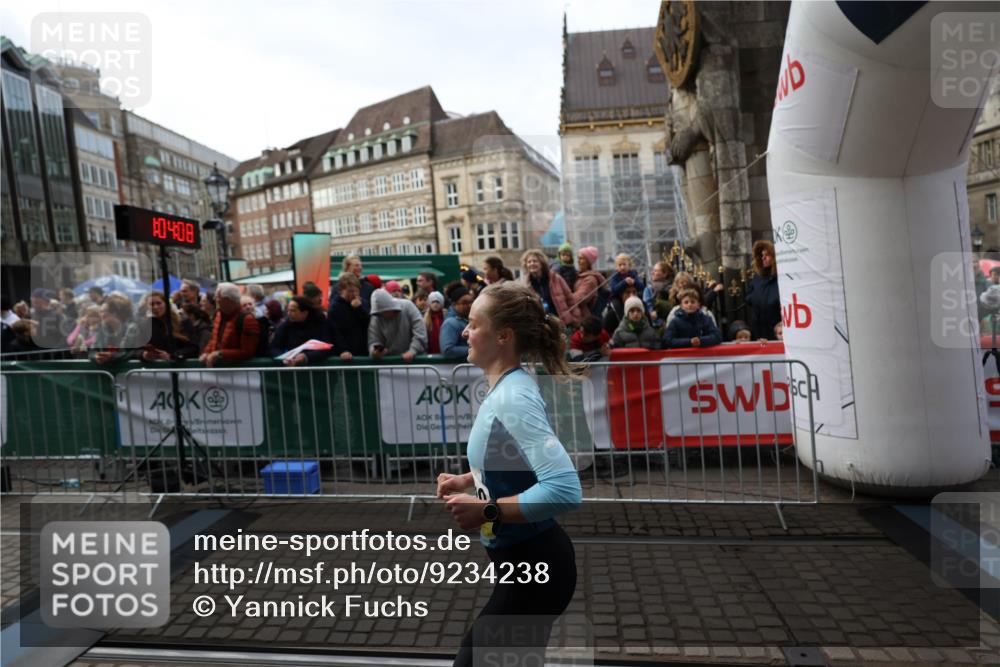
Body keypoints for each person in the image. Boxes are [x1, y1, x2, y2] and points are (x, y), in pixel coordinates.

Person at [437, 281, 582, 667]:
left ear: (503, 336)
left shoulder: (513, 396)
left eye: (473, 324)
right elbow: (512, 458)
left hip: (537, 568)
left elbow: (565, 489)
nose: (464, 332)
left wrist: (486, 511)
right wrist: (468, 480)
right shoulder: (503, 388)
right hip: (520, 565)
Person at [199, 283, 261, 367]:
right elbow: (214, 339)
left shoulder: (247, 319)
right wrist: (206, 353)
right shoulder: (218, 314)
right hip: (219, 370)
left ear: (227, 300)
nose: (215, 299)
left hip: (238, 371)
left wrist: (220, 354)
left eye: (218, 297)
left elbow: (247, 351)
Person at [520, 249, 582, 327]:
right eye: (529, 262)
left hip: (562, 323)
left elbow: (570, 299)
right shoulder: (525, 285)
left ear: (541, 263)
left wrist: (575, 320)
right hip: (541, 325)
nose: (532, 264)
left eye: (535, 261)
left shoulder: (556, 278)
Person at [269, 296, 334, 366]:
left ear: (305, 313)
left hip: (318, 369)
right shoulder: (285, 326)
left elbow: (327, 346)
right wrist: (283, 358)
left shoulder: (320, 323)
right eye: (288, 310)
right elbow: (274, 348)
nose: (288, 313)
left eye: (293, 310)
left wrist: (307, 356)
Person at [368, 288, 427, 361]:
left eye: (384, 311)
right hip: (390, 363)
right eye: (380, 312)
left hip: (416, 360)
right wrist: (374, 352)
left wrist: (413, 351)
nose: (383, 315)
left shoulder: (408, 306)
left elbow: (420, 331)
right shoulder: (376, 317)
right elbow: (373, 339)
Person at [139, 291, 199, 361]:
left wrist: (172, 356)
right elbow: (135, 349)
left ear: (166, 304)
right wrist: (143, 354)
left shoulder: (182, 322)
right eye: (152, 304)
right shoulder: (144, 325)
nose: (155, 307)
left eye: (159, 303)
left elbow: (193, 347)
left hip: (177, 368)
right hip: (152, 369)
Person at [89, 294, 142, 365]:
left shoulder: (131, 328)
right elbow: (92, 351)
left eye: (104, 311)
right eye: (100, 311)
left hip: (125, 371)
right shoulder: (102, 329)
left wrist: (112, 356)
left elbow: (131, 352)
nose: (101, 315)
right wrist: (96, 356)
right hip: (105, 371)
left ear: (115, 313)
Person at [327, 273, 370, 361]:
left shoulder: (363, 303)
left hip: (364, 352)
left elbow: (369, 323)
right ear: (342, 290)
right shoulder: (335, 307)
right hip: (346, 355)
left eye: (356, 291)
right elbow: (335, 332)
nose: (354, 294)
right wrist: (343, 350)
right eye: (350, 291)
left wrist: (359, 309)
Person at [745, 239, 781, 341]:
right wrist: (753, 299)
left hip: (776, 328)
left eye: (767, 255)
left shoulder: (780, 277)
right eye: (761, 255)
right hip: (758, 328)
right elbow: (748, 295)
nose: (763, 258)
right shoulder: (758, 277)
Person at [571, 246, 608, 316]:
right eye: (578, 258)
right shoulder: (581, 275)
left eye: (581, 258)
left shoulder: (590, 279)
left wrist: (565, 297)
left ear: (588, 262)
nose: (578, 261)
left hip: (583, 318)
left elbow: (580, 299)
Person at [439, 287, 473, 359]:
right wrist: (475, 350)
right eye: (464, 303)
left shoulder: (467, 319)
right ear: (454, 304)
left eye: (471, 302)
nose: (470, 305)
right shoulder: (450, 323)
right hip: (459, 368)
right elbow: (448, 350)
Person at [642, 261, 675, 327]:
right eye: (653, 270)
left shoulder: (673, 289)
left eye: (655, 271)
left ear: (665, 274)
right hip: (655, 324)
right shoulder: (649, 289)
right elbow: (648, 307)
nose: (652, 273)